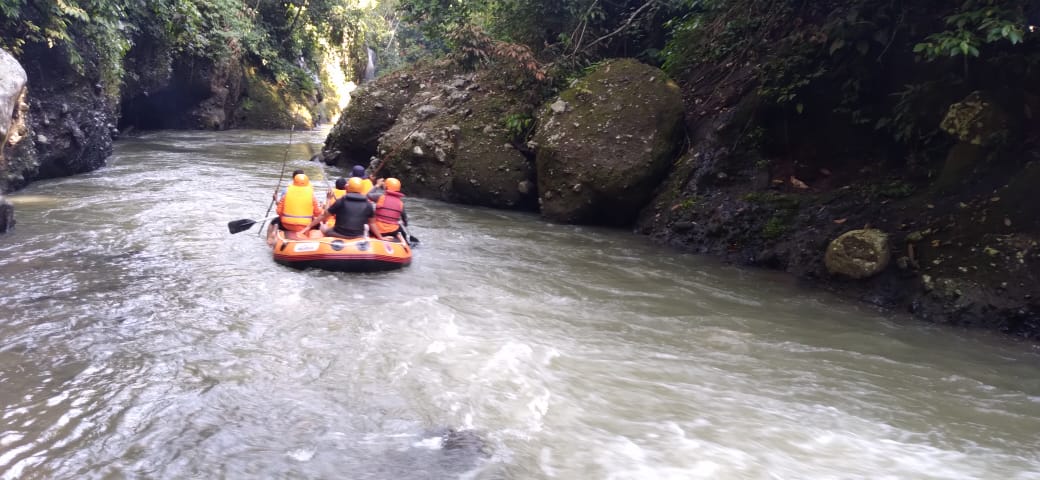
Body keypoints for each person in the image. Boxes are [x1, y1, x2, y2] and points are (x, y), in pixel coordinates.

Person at [301, 177, 375, 239]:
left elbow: (324, 216)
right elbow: (372, 224)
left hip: (339, 234)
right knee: (366, 227)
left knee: (323, 228)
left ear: (348, 187)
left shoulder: (341, 201)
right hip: (358, 235)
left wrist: (309, 226)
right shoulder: (368, 204)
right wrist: (380, 237)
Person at [367, 177, 408, 242]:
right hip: (392, 231)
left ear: (386, 187)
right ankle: (405, 243)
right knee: (402, 231)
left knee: (368, 222)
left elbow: (368, 195)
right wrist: (404, 224)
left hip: (377, 229)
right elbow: (405, 219)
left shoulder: (379, 197)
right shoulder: (401, 203)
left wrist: (377, 185)